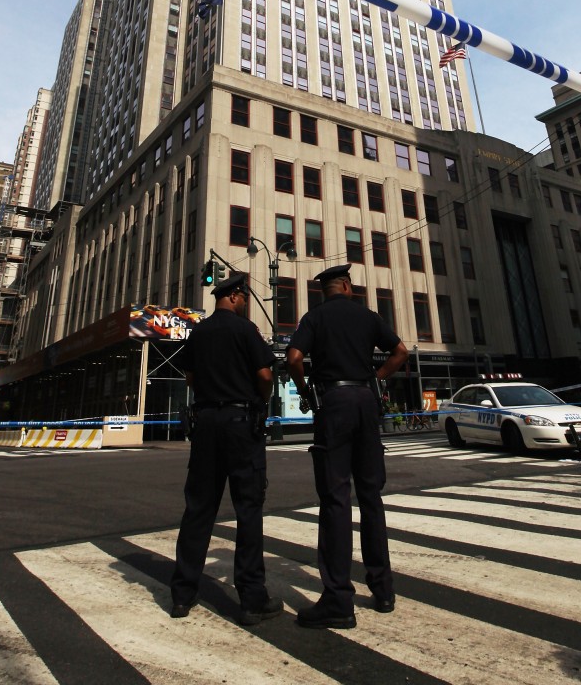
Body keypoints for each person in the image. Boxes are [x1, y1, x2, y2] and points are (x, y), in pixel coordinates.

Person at [286, 263, 408, 629]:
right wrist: (377, 378)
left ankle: (339, 599)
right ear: (349, 287)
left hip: (333, 404)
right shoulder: (368, 316)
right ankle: (383, 589)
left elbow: (293, 358)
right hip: (366, 403)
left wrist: (306, 391)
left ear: (325, 291)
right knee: (371, 496)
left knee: (336, 499)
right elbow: (400, 351)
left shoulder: (315, 317)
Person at [170, 271, 283, 625]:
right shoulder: (245, 330)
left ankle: (182, 595)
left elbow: (189, 376)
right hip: (240, 423)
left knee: (198, 509)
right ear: (234, 296)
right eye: (244, 298)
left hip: (205, 423)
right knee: (248, 509)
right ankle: (252, 598)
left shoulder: (198, 331)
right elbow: (265, 375)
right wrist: (259, 401)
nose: (246, 303)